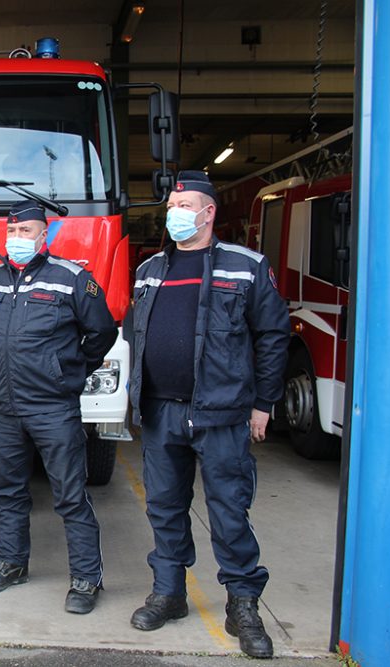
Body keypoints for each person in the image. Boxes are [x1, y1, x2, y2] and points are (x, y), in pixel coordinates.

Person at [128, 171, 289, 659]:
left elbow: (273, 335)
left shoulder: (246, 266)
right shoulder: (151, 267)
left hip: (220, 412)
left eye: (185, 205)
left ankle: (243, 604)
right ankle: (170, 592)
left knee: (228, 511)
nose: (175, 213)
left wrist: (264, 402)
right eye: (173, 205)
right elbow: (137, 333)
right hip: (161, 411)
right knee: (164, 506)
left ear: (208, 212)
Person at [0, 200, 117, 614]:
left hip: (53, 407)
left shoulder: (71, 278)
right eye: (12, 232)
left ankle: (86, 578)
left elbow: (102, 331)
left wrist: (68, 369)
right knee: (8, 490)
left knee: (70, 494)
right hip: (4, 406)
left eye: (26, 232)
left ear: (44, 235)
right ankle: (12, 562)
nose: (17, 239)